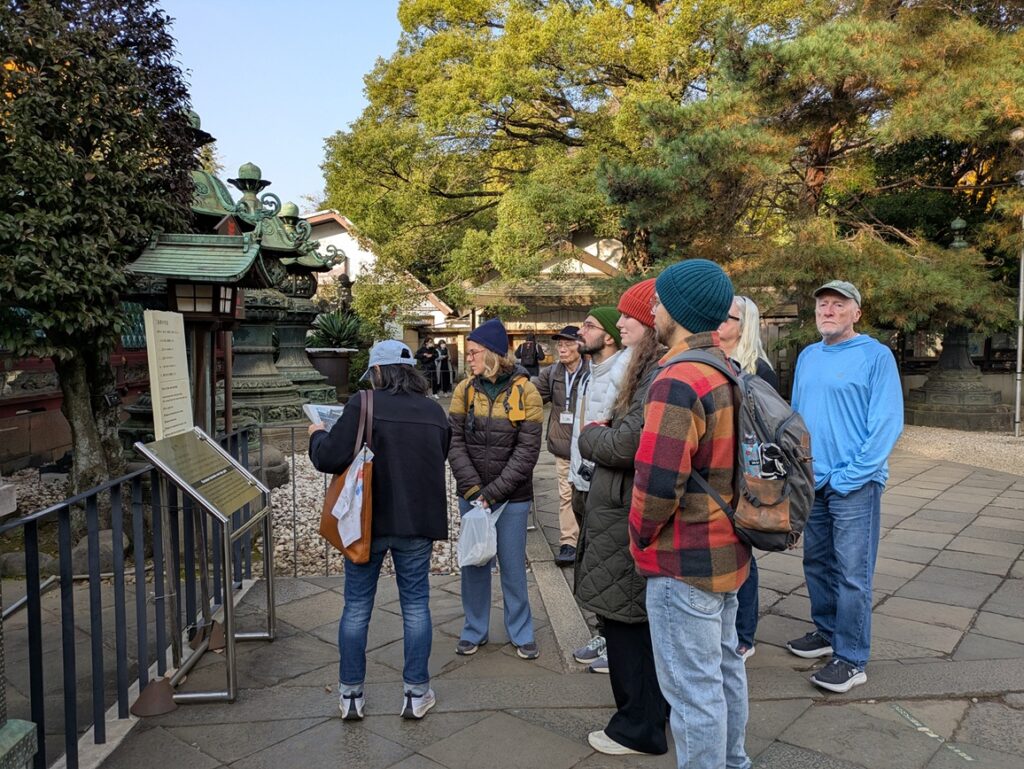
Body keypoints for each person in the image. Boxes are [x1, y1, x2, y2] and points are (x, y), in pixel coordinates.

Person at [630, 259, 752, 769]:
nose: (653, 309)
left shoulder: (678, 378)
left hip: (684, 559)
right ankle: (734, 762)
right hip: (727, 551)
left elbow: (659, 482)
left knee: (691, 691)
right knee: (724, 673)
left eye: (659, 300)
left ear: (678, 310)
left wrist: (639, 536)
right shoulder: (725, 368)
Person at [308, 340, 451, 721]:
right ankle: (416, 693)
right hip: (417, 521)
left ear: (377, 371)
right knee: (416, 605)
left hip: (366, 521)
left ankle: (351, 694)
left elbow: (329, 457)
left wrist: (316, 433)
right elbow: (440, 454)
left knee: (357, 606)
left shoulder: (364, 403)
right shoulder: (434, 410)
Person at [786, 280, 903, 693]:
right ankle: (827, 631)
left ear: (856, 313)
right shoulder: (808, 356)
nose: (828, 311)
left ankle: (851, 658)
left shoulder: (876, 356)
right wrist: (799, 470)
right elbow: (797, 417)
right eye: (823, 305)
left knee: (853, 573)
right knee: (816, 563)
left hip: (856, 484)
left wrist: (852, 474)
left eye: (838, 304)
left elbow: (887, 422)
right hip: (813, 480)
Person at [576, 279, 669, 756]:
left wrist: (590, 435)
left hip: (626, 514)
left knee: (626, 624)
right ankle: (649, 716)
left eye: (630, 315)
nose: (623, 323)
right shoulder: (646, 368)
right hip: (620, 511)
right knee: (632, 623)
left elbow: (625, 443)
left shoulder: (652, 374)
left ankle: (637, 726)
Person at [448, 317, 544, 659]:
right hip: (472, 495)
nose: (469, 358)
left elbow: (527, 452)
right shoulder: (464, 390)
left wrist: (494, 492)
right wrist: (473, 489)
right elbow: (453, 441)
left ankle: (521, 631)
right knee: (474, 564)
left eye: (474, 352)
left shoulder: (527, 391)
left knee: (513, 566)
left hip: (512, 498)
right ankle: (474, 629)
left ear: (491, 353)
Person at [716, 295, 779, 663]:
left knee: (744, 555)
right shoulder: (711, 361)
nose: (719, 322)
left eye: (727, 317)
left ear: (745, 325)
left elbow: (769, 431)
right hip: (716, 472)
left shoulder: (759, 371)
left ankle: (743, 634)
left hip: (744, 474)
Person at [568, 306, 631, 673]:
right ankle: (603, 633)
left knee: (611, 567)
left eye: (589, 326)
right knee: (593, 563)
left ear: (609, 335)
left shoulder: (622, 373)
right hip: (583, 480)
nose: (581, 331)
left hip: (604, 485)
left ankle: (614, 642)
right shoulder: (590, 372)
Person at [532, 325, 588, 566]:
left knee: (588, 496)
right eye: (560, 344)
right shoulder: (552, 372)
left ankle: (588, 541)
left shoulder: (592, 370)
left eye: (568, 344)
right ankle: (568, 542)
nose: (562, 348)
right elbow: (533, 396)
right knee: (566, 494)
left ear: (580, 345)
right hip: (562, 444)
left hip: (588, 446)